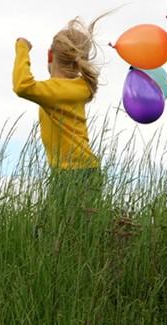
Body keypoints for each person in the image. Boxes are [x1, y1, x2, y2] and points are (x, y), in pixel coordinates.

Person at [12, 16, 108, 238]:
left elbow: (22, 86)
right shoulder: (79, 87)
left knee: (49, 235)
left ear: (49, 55)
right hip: (80, 172)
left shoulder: (57, 91)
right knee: (69, 235)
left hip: (73, 174)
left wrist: (22, 48)